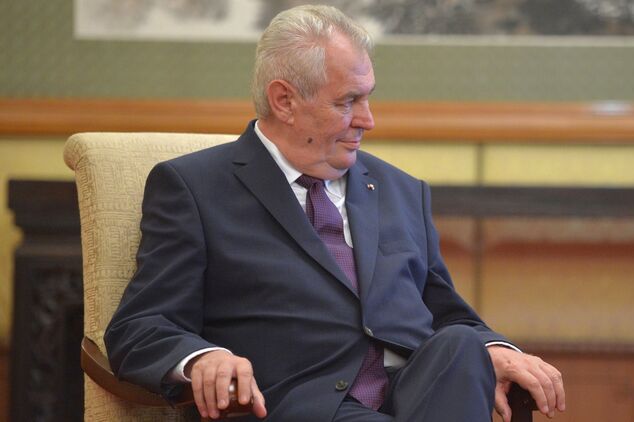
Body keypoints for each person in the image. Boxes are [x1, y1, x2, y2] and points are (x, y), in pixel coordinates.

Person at [104, 4, 565, 422]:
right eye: (348, 101)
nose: (368, 119)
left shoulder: (401, 190)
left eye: (367, 97)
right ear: (284, 100)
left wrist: (495, 349)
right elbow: (141, 326)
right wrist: (201, 358)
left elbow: (449, 315)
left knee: (461, 345)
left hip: (418, 398)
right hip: (299, 404)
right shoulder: (195, 187)